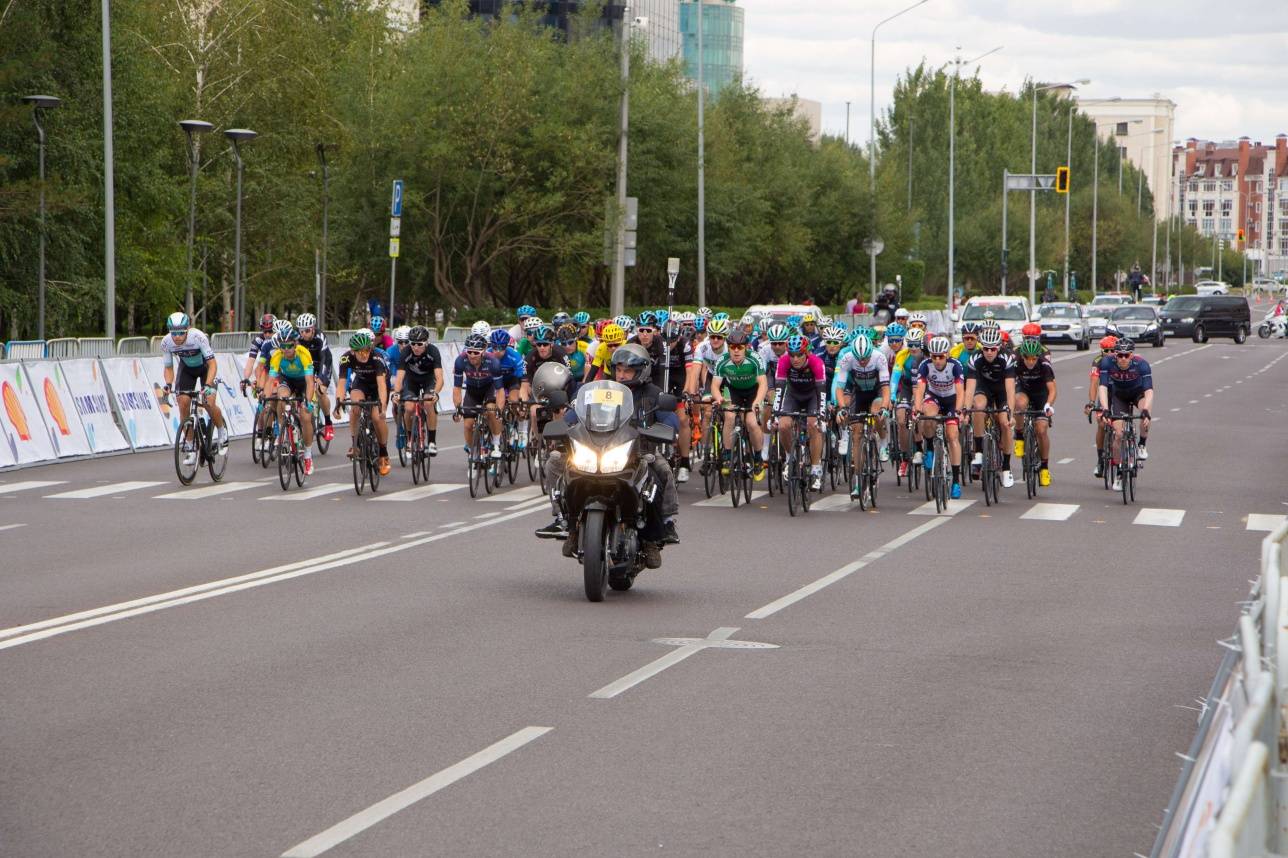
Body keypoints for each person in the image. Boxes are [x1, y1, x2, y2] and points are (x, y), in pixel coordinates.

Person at [536, 344, 680, 567]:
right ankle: (565, 521)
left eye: (628, 370)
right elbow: (574, 414)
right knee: (555, 461)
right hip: (595, 448)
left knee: (661, 468)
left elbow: (670, 419)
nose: (622, 375)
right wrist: (565, 425)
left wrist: (662, 428)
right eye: (619, 369)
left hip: (639, 452)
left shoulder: (653, 394)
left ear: (641, 371)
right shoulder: (597, 390)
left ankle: (658, 531)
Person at [160, 312, 227, 464]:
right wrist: (168, 385)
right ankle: (191, 448)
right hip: (187, 370)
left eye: (181, 332)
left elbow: (212, 364)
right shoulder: (166, 342)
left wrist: (208, 384)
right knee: (183, 404)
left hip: (206, 369)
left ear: (188, 329)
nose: (177, 336)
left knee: (209, 402)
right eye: (173, 332)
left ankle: (222, 430)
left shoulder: (197, 337)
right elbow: (169, 367)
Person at [834, 334, 891, 491]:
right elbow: (839, 387)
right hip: (859, 394)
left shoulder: (879, 357)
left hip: (877, 392)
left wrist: (885, 408)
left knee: (876, 412)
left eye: (865, 358)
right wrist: (842, 408)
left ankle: (883, 442)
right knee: (857, 435)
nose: (862, 361)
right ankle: (858, 479)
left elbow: (886, 388)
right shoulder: (847, 358)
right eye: (859, 359)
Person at [962, 326, 1017, 488]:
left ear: (999, 347)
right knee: (977, 407)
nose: (989, 352)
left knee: (1005, 423)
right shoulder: (975, 359)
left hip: (1001, 392)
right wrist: (965, 410)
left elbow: (1010, 389)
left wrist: (1011, 414)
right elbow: (970, 388)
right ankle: (978, 453)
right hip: (983, 389)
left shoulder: (1006, 359)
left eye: (993, 349)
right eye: (986, 348)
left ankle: (1006, 468)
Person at [911, 334, 964, 499]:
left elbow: (961, 391)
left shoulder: (955, 365)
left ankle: (955, 481)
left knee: (952, 435)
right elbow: (920, 389)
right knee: (928, 416)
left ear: (947, 355)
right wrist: (917, 409)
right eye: (934, 357)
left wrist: (959, 411)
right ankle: (930, 449)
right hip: (933, 397)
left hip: (951, 400)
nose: (938, 360)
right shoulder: (925, 365)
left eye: (941, 357)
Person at [710, 328, 768, 480]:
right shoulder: (722, 361)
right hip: (733, 391)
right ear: (728, 347)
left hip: (752, 392)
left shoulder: (755, 358)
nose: (736, 351)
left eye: (740, 347)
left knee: (751, 423)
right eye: (732, 347)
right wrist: (719, 398)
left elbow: (763, 384)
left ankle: (757, 459)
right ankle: (728, 456)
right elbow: (715, 386)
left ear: (746, 347)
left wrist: (757, 403)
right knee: (729, 417)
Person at [1096, 337, 1153, 491]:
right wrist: (1105, 408)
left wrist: (1146, 410)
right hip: (1119, 396)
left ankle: (1142, 444)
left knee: (1145, 414)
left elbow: (1148, 391)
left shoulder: (1142, 364)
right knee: (1118, 435)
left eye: (1126, 355)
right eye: (1119, 355)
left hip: (1137, 394)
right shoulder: (1107, 362)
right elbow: (1102, 387)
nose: (1122, 359)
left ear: (1131, 355)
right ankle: (1120, 472)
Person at [333, 329, 392, 475]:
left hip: (379, 385)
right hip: (361, 383)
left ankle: (383, 452)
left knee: (377, 418)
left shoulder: (377, 358)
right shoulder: (346, 358)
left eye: (366, 351)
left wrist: (383, 407)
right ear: (353, 352)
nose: (364, 355)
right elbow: (341, 383)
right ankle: (355, 444)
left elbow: (382, 386)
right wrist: (338, 404)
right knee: (355, 408)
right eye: (360, 352)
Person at [774, 335, 827, 491]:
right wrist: (775, 414)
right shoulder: (783, 362)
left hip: (812, 396)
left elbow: (822, 393)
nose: (795, 359)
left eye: (799, 355)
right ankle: (790, 459)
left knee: (813, 425)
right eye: (792, 355)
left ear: (807, 353)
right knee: (783, 426)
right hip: (793, 395)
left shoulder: (816, 363)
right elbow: (779, 390)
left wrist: (821, 416)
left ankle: (816, 469)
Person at [263, 326, 317, 476]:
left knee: (306, 416)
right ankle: (283, 428)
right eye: (283, 346)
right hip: (287, 380)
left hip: (304, 382)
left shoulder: (303, 354)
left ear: (295, 344)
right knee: (281, 397)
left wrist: (308, 401)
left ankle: (307, 456)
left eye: (289, 346)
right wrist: (266, 400)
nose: (286, 350)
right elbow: (271, 380)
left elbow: (310, 381)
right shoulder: (277, 356)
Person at [452, 333, 506, 462]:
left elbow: (500, 390)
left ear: (482, 352)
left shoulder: (493, 362)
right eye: (469, 351)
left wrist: (499, 409)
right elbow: (457, 388)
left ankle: (496, 444)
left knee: (491, 411)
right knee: (467, 424)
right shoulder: (460, 361)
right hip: (472, 391)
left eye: (475, 353)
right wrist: (458, 408)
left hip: (489, 389)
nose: (471, 355)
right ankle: (473, 452)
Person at [393, 325, 445, 455]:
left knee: (428, 403)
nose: (416, 347)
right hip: (412, 381)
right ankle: (410, 438)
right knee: (409, 407)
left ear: (426, 343)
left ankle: (432, 442)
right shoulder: (406, 351)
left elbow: (440, 379)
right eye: (413, 344)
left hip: (428, 380)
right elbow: (400, 378)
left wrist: (435, 393)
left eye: (420, 344)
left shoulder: (433, 351)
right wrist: (396, 393)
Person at [1013, 339, 1057, 486]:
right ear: (1022, 356)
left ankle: (1044, 468)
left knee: (1041, 430)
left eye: (1034, 358)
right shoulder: (1016, 363)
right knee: (1019, 404)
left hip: (1041, 395)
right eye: (1027, 358)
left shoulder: (1044, 366)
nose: (1030, 361)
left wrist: (1048, 405)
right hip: (1023, 391)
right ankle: (1019, 436)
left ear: (1038, 356)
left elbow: (1052, 390)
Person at [295, 313, 334, 442]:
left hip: (321, 363)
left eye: (307, 330)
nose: (304, 334)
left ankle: (328, 422)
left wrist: (321, 378)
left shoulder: (320, 337)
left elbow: (324, 358)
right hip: (306, 365)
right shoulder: (296, 338)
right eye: (301, 331)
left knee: (320, 390)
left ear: (313, 328)